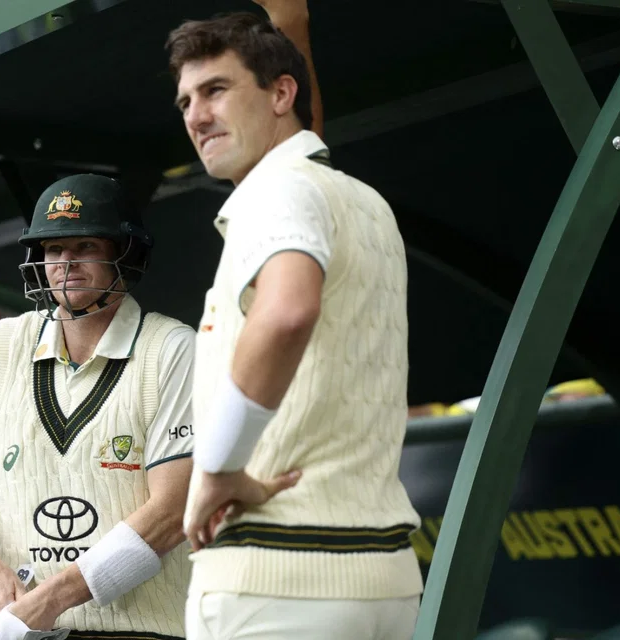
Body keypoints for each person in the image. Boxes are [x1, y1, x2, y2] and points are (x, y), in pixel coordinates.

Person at [166, 4, 424, 640]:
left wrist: (221, 466)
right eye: (185, 102)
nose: (196, 116)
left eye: (216, 90)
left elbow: (286, 312)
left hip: (276, 579)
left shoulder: (277, 188)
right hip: (384, 580)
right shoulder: (363, 201)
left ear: (282, 93)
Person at [0, 174, 212, 640]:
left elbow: (173, 510)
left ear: (125, 254)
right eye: (53, 250)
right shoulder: (1, 344)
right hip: (20, 630)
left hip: (140, 630)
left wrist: (53, 598)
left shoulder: (172, 348)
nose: (64, 263)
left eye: (84, 246)